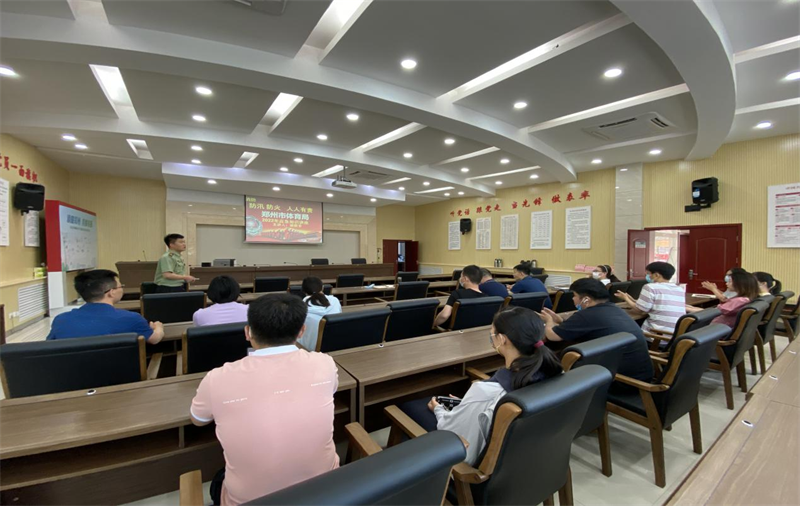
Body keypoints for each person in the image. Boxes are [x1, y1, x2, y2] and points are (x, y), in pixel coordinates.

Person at [190, 294, 339, 506]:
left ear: (247, 332)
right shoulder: (325, 364)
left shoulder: (217, 378)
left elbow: (198, 420)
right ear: (301, 331)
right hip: (331, 493)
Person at [399, 307, 562, 465]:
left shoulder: (485, 392)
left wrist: (438, 409)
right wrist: (468, 405)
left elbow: (451, 429)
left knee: (409, 408)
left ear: (502, 339)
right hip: (528, 462)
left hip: (467, 467)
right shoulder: (555, 374)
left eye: (492, 333)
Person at [538, 278, 653, 381]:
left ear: (586, 300)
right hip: (642, 375)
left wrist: (549, 321)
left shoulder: (586, 315)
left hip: (621, 381)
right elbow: (587, 325)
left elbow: (552, 336)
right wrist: (559, 321)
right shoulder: (614, 309)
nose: (573, 299)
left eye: (574, 295)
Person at [47, 269, 164, 344]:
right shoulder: (132, 318)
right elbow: (154, 339)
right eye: (120, 286)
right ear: (111, 292)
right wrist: (158, 327)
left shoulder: (61, 320)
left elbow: (49, 347)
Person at [616, 261, 686, 334]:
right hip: (675, 334)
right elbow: (656, 303)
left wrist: (625, 298)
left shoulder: (650, 287)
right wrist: (632, 300)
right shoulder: (679, 289)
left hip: (656, 335)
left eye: (648, 273)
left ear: (656, 275)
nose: (647, 276)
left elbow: (640, 310)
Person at [688, 270, 758, 328]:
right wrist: (689, 307)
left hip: (716, 329)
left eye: (730, 281)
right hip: (720, 327)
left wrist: (688, 308)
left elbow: (713, 312)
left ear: (739, 284)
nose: (727, 284)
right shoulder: (744, 299)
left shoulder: (739, 300)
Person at [297, 276, 342, 351]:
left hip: (308, 348)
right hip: (334, 346)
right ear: (323, 288)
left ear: (304, 291)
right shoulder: (335, 301)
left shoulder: (301, 306)